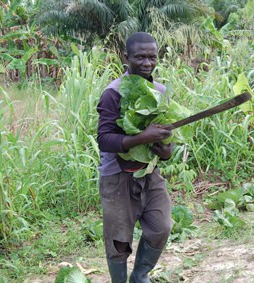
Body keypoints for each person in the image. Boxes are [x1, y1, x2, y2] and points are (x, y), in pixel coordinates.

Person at [96, 32, 174, 283]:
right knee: (119, 240)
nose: (147, 63)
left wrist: (165, 151)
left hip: (149, 174)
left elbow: (164, 138)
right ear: (126, 58)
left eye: (152, 57)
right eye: (140, 57)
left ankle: (139, 276)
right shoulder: (113, 93)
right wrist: (143, 137)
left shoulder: (160, 91)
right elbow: (105, 139)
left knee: (161, 227)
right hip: (117, 177)